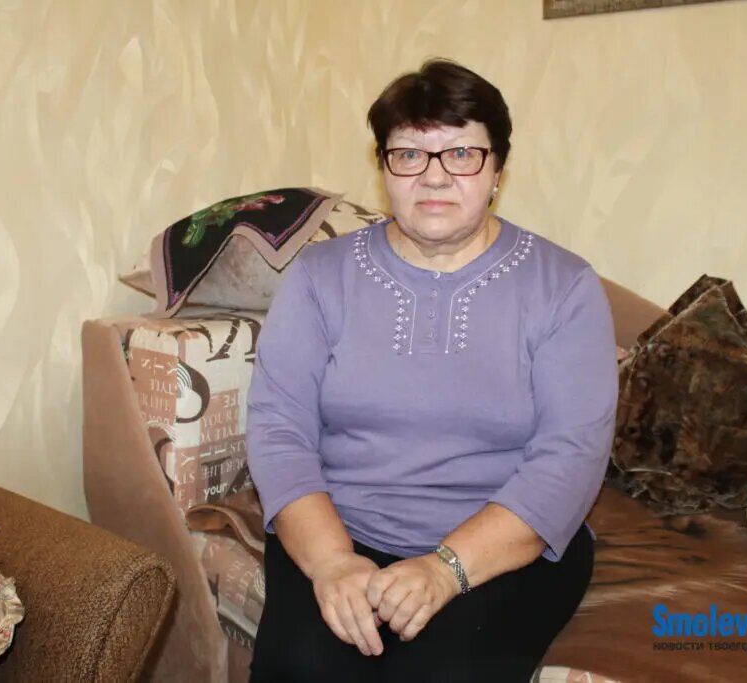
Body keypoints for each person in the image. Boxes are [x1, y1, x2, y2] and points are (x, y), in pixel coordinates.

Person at [245, 59, 618, 683]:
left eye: (462, 153)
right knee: (302, 668)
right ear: (384, 168)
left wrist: (446, 569)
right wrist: (334, 563)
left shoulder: (564, 287)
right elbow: (279, 429)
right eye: (410, 154)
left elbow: (570, 458)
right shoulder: (318, 277)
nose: (434, 175)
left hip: (501, 551)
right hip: (343, 531)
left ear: (497, 169)